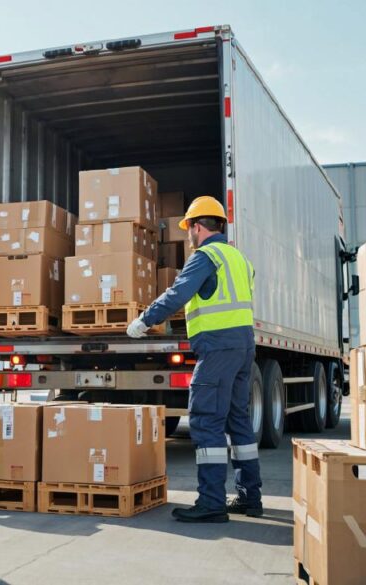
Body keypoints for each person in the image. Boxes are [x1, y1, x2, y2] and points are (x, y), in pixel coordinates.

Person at [127, 195, 263, 523]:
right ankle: (250, 497)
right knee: (238, 421)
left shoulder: (205, 256)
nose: (188, 234)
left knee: (205, 421)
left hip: (217, 348)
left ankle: (211, 502)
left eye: (188, 227)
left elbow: (178, 293)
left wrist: (143, 321)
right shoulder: (239, 258)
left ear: (198, 227)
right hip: (243, 347)